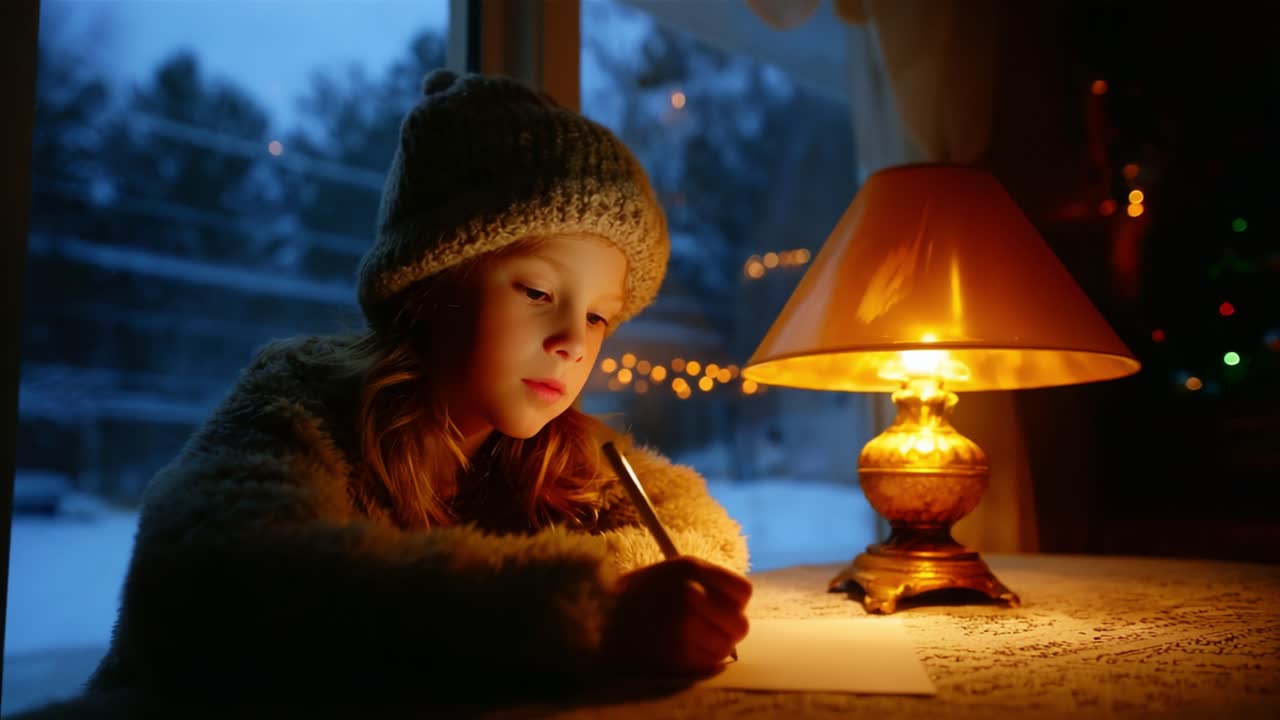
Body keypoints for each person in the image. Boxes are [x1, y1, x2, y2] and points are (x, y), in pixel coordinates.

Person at [82, 69, 751, 702]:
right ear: (429, 285)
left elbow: (704, 533)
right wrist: (588, 615)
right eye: (538, 291)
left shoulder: (560, 447)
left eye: (599, 316)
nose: (573, 341)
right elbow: (209, 582)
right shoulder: (297, 405)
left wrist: (654, 596)